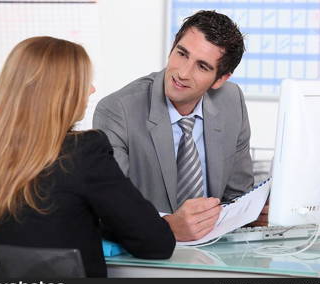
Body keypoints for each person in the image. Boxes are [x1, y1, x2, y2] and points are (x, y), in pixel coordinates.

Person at [0, 36, 175, 277]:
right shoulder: (85, 150)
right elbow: (156, 243)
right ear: (61, 93)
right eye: (84, 82)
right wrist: (103, 222)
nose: (91, 89)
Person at [93, 10, 254, 242]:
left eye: (202, 66)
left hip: (214, 252)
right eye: (182, 54)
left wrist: (254, 213)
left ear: (220, 79)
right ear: (172, 48)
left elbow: (238, 195)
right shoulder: (118, 111)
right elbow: (109, 211)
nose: (182, 73)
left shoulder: (231, 100)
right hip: (147, 254)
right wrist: (166, 227)